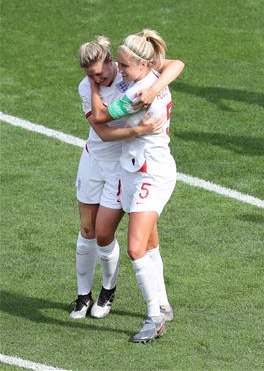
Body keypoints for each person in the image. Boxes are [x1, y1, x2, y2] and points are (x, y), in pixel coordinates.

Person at [71, 36, 182, 321]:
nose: (118, 71)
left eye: (119, 65)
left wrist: (148, 96)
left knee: (141, 244)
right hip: (117, 162)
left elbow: (103, 118)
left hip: (139, 169)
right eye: (91, 75)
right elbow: (174, 65)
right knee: (98, 231)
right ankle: (86, 295)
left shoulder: (135, 89)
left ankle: (157, 309)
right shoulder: (140, 76)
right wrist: (154, 86)